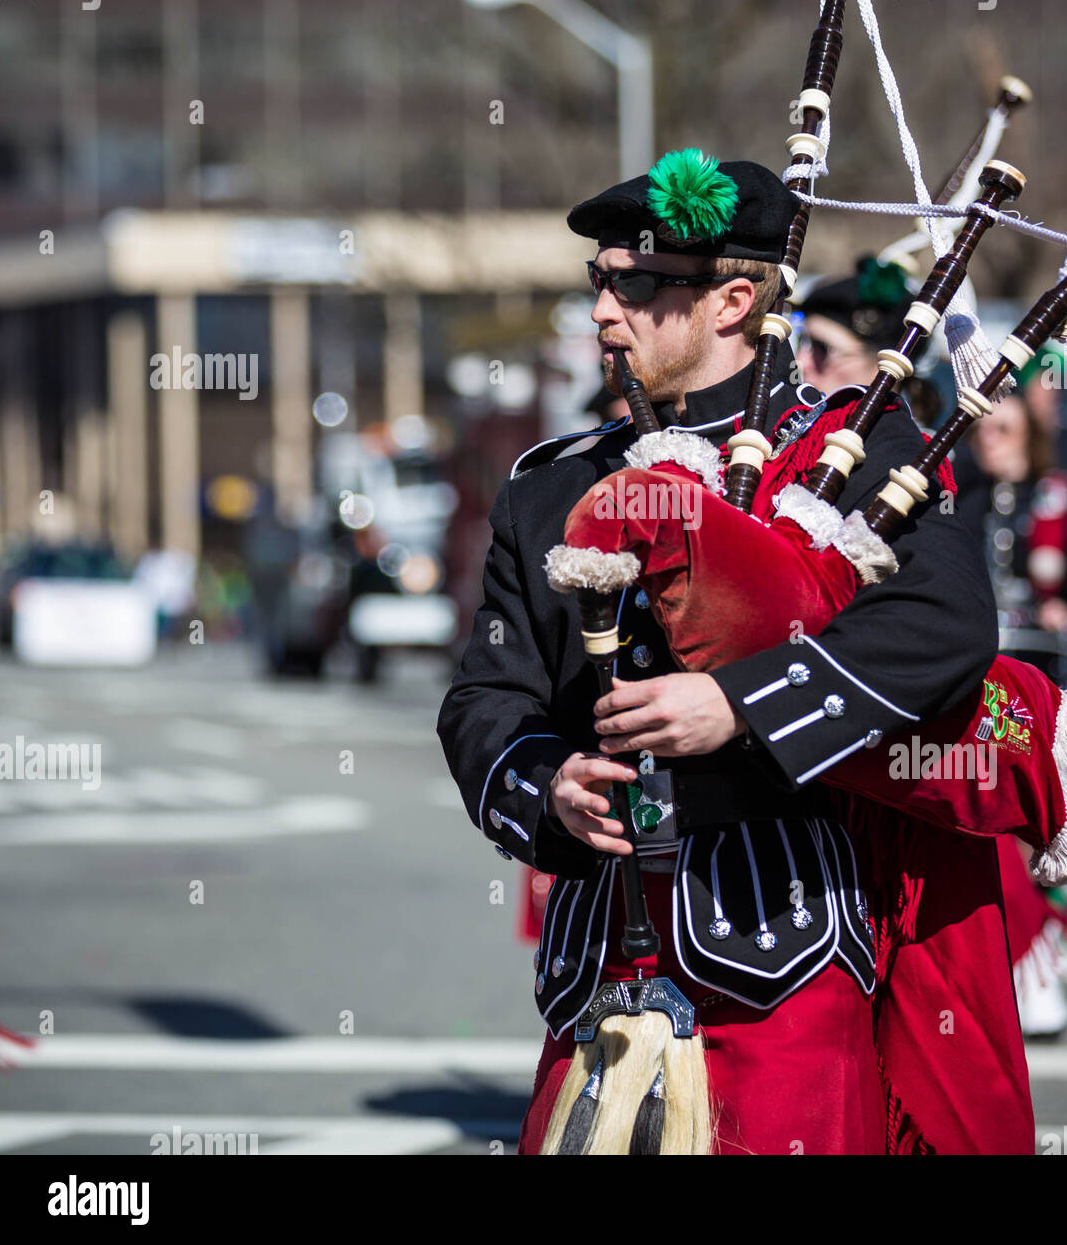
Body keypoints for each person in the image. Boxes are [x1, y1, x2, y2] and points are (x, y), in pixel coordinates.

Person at [437, 150, 1034, 1154]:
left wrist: (742, 706)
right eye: (599, 282)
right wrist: (547, 788)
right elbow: (486, 697)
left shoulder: (858, 447)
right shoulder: (547, 485)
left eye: (634, 284)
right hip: (601, 969)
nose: (603, 313)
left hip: (783, 955)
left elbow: (945, 625)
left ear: (732, 300)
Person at [957, 388, 1067, 1033]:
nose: (991, 440)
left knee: (1034, 815)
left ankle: (1041, 961)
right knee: (982, 813)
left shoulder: (1060, 496)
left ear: (1028, 434)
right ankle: (998, 968)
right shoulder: (958, 497)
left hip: (1038, 677)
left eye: (1005, 429)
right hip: (973, 674)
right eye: (984, 430)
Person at [797, 255, 943, 430]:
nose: (801, 361)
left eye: (823, 349)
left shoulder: (911, 454)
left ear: (884, 367)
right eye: (802, 342)